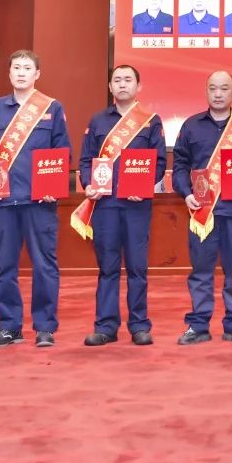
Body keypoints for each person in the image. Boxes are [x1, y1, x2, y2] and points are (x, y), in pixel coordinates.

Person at [0, 50, 71, 348]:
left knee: (45, 266)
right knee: (5, 267)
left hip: (40, 202)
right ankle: (8, 327)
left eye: (27, 68)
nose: (21, 73)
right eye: (16, 68)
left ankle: (45, 327)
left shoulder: (51, 108)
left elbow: (62, 153)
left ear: (37, 74)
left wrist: (55, 186)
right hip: (3, 202)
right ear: (9, 73)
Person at [76, 65, 167, 346]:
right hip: (105, 205)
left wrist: (145, 185)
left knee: (137, 267)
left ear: (139, 86)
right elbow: (85, 160)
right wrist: (88, 183)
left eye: (128, 80)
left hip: (137, 206)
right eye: (117, 80)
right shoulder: (98, 120)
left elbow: (159, 162)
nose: (122, 84)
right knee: (108, 267)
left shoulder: (151, 121)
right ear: (110, 87)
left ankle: (139, 326)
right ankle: (105, 326)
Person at [172, 71, 232, 344]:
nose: (218, 94)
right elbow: (180, 165)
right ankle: (198, 325)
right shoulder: (191, 126)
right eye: (213, 88)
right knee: (201, 271)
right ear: (206, 91)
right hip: (202, 211)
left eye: (224, 88)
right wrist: (186, 193)